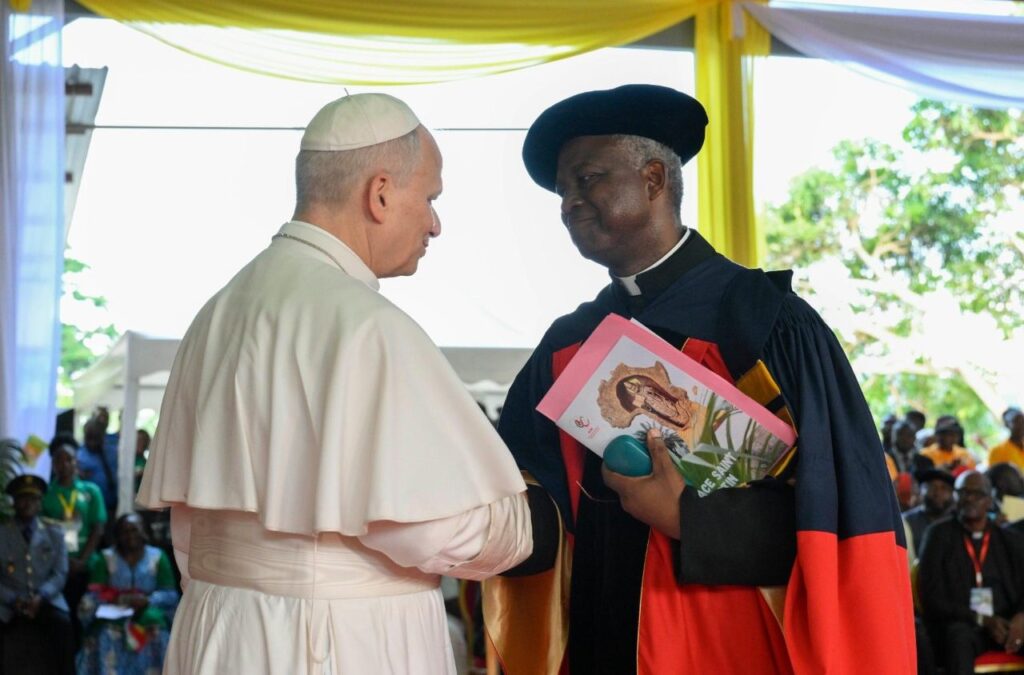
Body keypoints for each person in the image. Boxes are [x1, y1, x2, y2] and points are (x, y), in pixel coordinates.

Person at [486, 84, 914, 674]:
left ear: (656, 180)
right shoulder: (567, 344)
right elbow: (529, 495)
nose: (568, 203)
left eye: (588, 180)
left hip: (729, 645)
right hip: (598, 639)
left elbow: (842, 516)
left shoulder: (766, 324)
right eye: (563, 191)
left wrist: (688, 517)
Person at [136, 93, 536, 675]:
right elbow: (448, 528)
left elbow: (193, 530)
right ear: (379, 194)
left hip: (217, 629)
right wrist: (528, 518)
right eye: (429, 198)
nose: (435, 224)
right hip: (337, 639)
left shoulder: (216, 313)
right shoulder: (368, 327)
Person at [918, 470, 1024, 674]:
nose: (970, 499)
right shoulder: (938, 535)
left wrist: (1021, 616)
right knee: (958, 638)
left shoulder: (1011, 539)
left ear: (990, 499)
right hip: (964, 625)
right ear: (955, 497)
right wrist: (982, 619)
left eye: (977, 493)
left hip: (1009, 624)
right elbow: (932, 597)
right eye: (963, 493)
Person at [76, 513, 179, 674]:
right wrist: (116, 599)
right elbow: (93, 594)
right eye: (124, 531)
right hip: (114, 610)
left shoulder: (158, 557)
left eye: (134, 530)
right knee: (106, 633)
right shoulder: (106, 558)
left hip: (147, 610)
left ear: (143, 532)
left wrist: (148, 600)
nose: (130, 535)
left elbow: (170, 594)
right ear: (117, 535)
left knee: (157, 630)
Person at [0, 474, 74, 674]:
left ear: (40, 503)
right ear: (14, 502)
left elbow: (60, 573)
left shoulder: (54, 533)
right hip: (8, 601)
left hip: (46, 600)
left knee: (64, 626)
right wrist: (13, 599)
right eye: (22, 498)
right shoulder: (2, 533)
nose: (28, 503)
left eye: (33, 499)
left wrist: (41, 596)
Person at [40, 434, 107, 649]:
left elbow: (98, 528)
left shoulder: (91, 491)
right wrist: (64, 563)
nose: (64, 464)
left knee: (87, 615)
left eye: (69, 459)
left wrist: (82, 560)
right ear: (52, 463)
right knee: (62, 619)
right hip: (57, 568)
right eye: (58, 460)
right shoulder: (46, 494)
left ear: (76, 460)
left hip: (88, 565)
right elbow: (43, 534)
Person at [903, 468, 956, 556]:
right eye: (932, 487)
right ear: (920, 490)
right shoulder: (905, 522)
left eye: (944, 488)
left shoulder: (957, 522)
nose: (938, 493)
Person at [76, 419, 118, 519]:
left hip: (113, 505)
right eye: (90, 438)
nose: (93, 442)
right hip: (90, 507)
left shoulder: (113, 452)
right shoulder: (80, 456)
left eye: (96, 437)